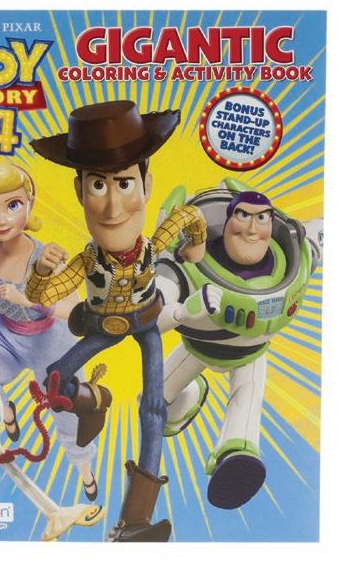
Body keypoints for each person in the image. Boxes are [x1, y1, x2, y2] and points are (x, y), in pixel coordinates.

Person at [26, 100, 207, 541]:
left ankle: (135, 520)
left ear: (146, 185)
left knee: (153, 407)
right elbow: (42, 296)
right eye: (97, 185)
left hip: (146, 324)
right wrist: (41, 273)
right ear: (79, 191)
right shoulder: (87, 260)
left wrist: (195, 248)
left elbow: (189, 216)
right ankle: (94, 400)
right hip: (100, 325)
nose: (111, 208)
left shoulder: (153, 246)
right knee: (54, 380)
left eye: (124, 183)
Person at [0, 153, 99, 501]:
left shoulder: (46, 259)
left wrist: (32, 301)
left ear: (29, 203)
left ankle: (85, 471)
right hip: (4, 334)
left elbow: (78, 312)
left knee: (70, 409)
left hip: (50, 341)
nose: (1, 220)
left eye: (12, 205)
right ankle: (6, 410)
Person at [155, 183, 323, 510]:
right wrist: (181, 310)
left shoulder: (294, 255)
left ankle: (236, 452)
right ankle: (180, 406)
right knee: (151, 403)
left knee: (246, 404)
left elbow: (319, 233)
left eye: (262, 219)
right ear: (228, 220)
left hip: (250, 354)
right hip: (198, 346)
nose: (252, 229)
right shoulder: (182, 266)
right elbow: (151, 315)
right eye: (243, 216)